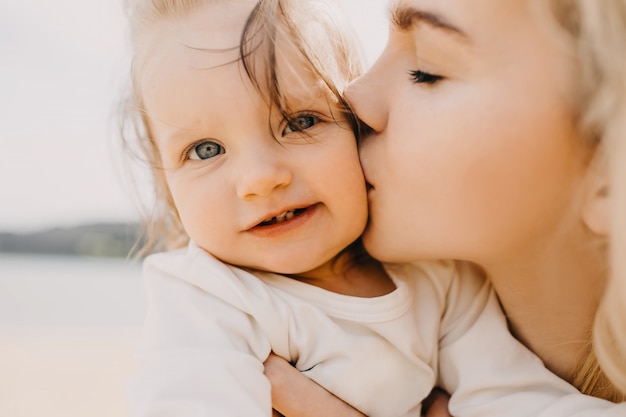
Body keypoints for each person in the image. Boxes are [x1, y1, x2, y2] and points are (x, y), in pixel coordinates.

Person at [121, 0, 626, 416]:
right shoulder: (205, 297)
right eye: (205, 150)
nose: (258, 180)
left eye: (300, 121)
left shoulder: (439, 283)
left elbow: (520, 398)